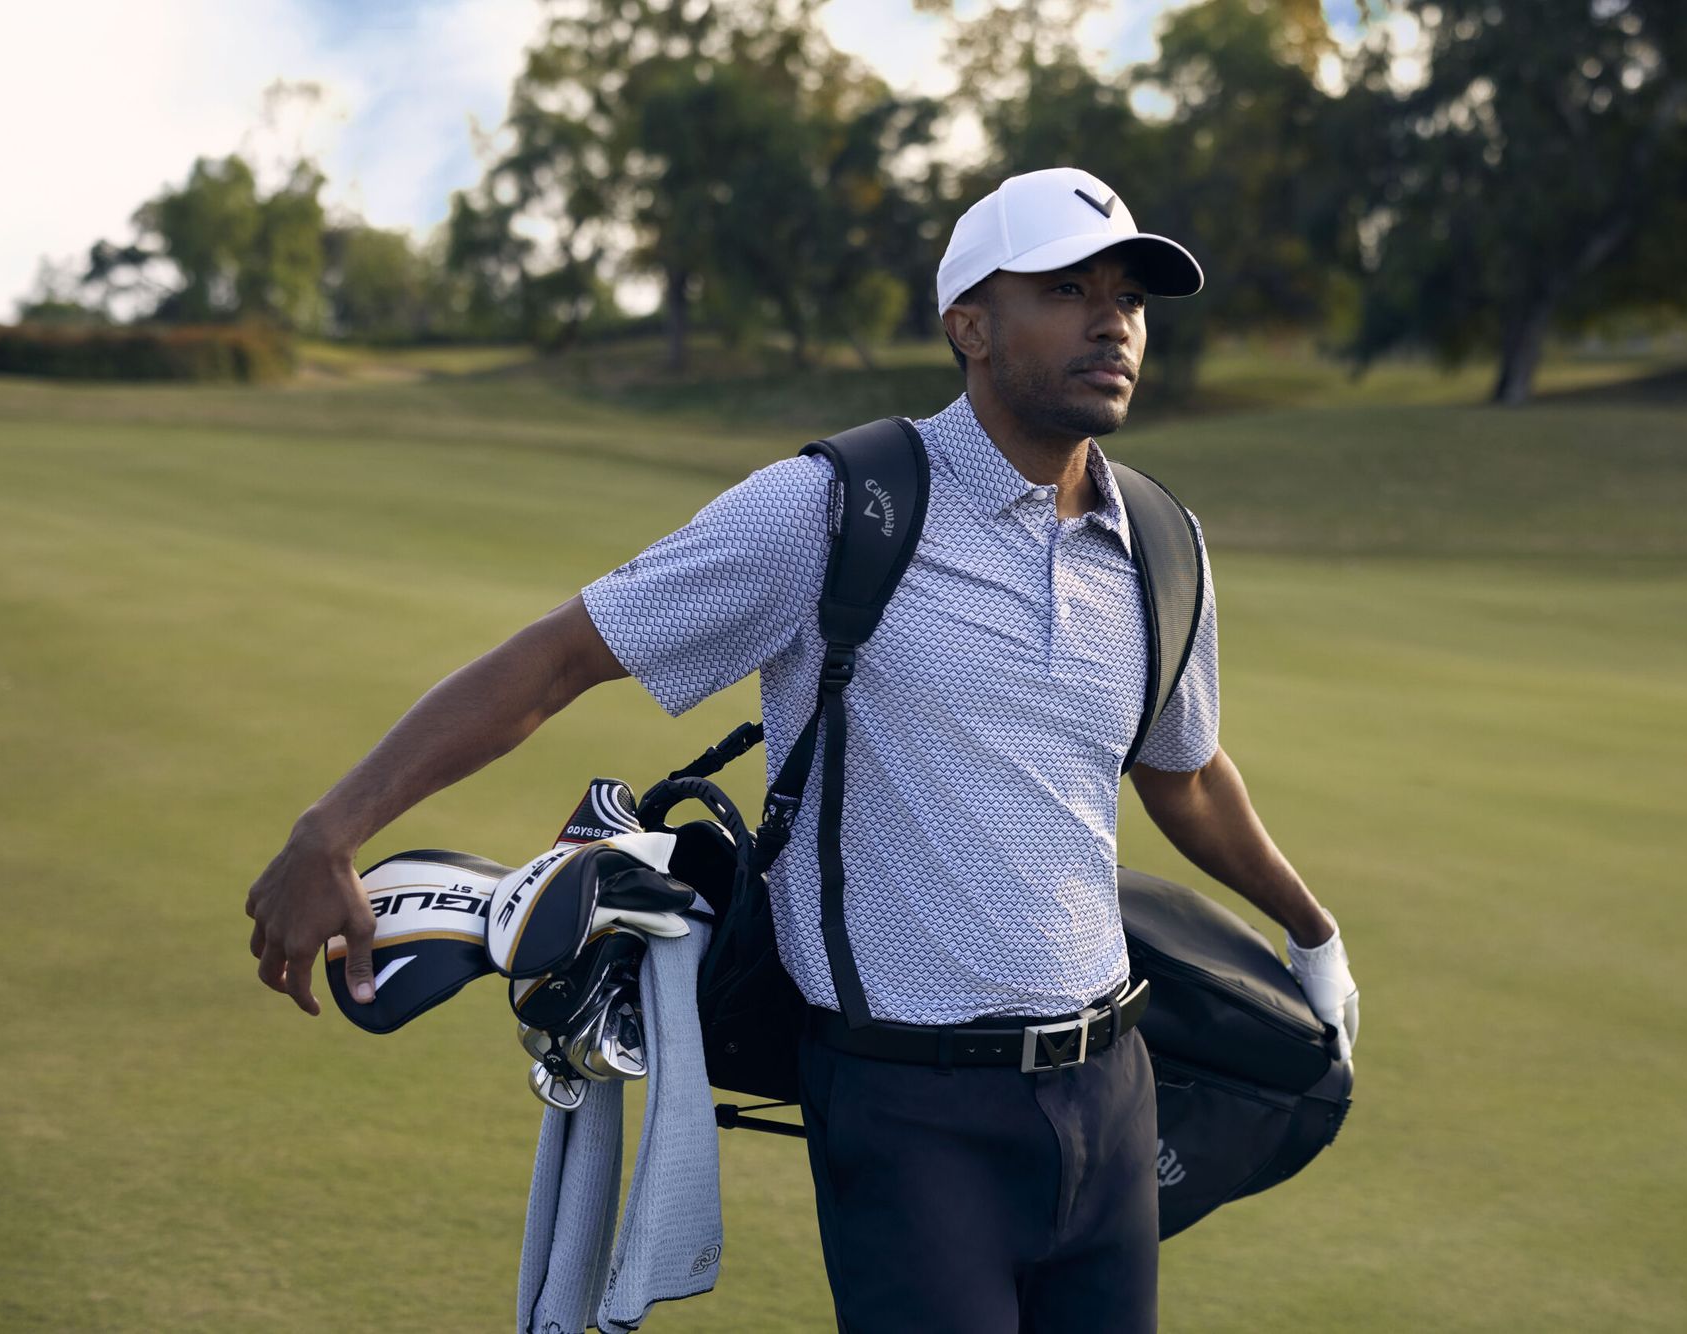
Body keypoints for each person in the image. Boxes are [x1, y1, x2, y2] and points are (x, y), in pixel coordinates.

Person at [245, 166, 1359, 1333]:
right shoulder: (834, 508)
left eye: (1128, 295)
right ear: (967, 326)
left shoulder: (1159, 543)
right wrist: (330, 829)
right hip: (907, 1108)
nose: (1111, 320)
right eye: (1066, 288)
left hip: (1110, 1090)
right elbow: (559, 656)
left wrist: (1311, 931)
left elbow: (1181, 771)